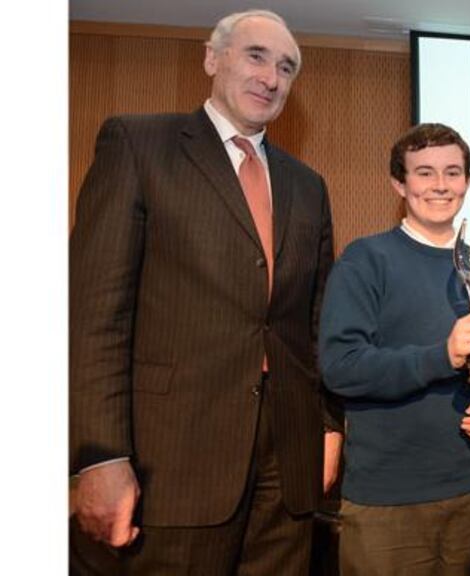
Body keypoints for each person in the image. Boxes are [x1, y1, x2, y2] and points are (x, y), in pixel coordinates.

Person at [69, 9, 341, 573]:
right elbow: (94, 317)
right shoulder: (138, 144)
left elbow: (315, 325)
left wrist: (329, 428)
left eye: (287, 67)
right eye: (256, 56)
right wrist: (99, 457)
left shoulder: (307, 185)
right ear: (212, 59)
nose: (271, 77)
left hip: (286, 466)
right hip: (171, 463)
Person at [318, 123, 470, 575]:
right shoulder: (365, 260)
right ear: (399, 183)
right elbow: (341, 368)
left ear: (467, 181)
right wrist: (441, 356)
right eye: (424, 173)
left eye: (453, 172)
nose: (440, 185)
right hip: (389, 503)